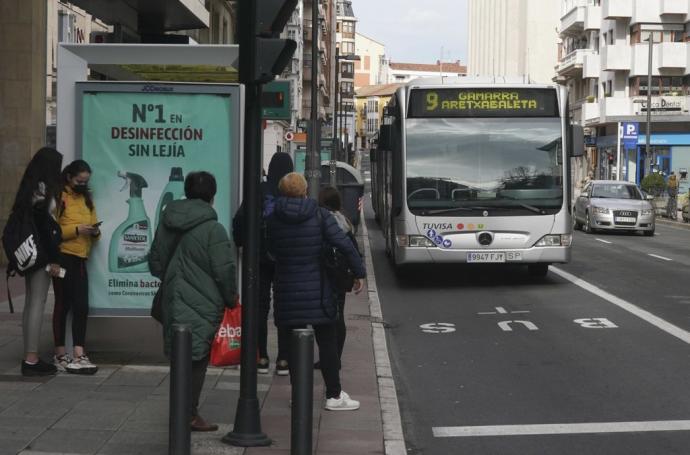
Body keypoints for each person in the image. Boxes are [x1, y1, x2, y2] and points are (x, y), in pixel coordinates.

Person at [267, 172, 366, 411]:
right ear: (304, 191)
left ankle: (298, 395)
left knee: (292, 346)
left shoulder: (273, 218)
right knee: (327, 341)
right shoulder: (320, 215)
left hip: (287, 290)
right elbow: (344, 244)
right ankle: (333, 395)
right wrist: (358, 272)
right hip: (318, 290)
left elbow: (269, 250)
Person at [150, 171, 237, 432]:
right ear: (212, 196)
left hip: (172, 298)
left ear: (187, 192)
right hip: (203, 302)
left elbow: (155, 262)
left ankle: (182, 412)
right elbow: (224, 271)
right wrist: (231, 298)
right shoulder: (214, 229)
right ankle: (187, 414)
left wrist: (176, 274)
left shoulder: (168, 220)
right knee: (197, 359)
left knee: (179, 356)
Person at [232, 152, 294, 375]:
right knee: (285, 306)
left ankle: (261, 357)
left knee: (259, 306)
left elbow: (240, 220)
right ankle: (284, 359)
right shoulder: (292, 191)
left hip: (258, 256)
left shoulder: (259, 190)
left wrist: (242, 243)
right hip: (286, 258)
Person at [8, 147, 63, 376]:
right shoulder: (43, 192)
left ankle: (29, 356)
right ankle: (31, 359)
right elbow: (46, 229)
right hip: (41, 255)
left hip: (30, 253)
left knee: (31, 303)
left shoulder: (28, 188)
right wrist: (54, 260)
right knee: (37, 304)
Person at [52, 160, 100, 375]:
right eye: (80, 180)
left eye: (86, 181)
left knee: (81, 306)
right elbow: (52, 231)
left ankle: (79, 353)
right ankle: (60, 354)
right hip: (62, 257)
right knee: (62, 304)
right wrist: (77, 230)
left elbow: (94, 222)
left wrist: (95, 232)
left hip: (81, 257)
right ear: (69, 177)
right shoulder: (59, 197)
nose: (82, 184)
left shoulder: (87, 199)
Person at [318, 186, 361, 364]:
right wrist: (358, 274)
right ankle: (336, 357)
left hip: (325, 274)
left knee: (325, 317)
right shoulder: (345, 222)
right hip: (341, 275)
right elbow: (353, 250)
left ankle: (328, 358)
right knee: (339, 315)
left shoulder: (322, 220)